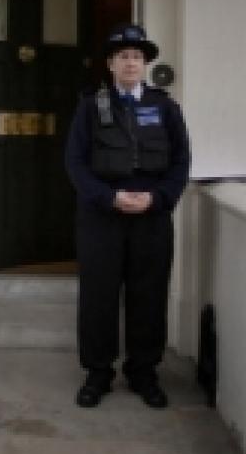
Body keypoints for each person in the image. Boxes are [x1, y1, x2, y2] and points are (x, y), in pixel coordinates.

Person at [65, 24, 190, 409]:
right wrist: (109, 197)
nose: (130, 62)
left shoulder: (166, 107)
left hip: (151, 216)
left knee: (148, 295)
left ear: (146, 63)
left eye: (137, 56)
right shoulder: (90, 106)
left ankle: (143, 372)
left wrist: (157, 199)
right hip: (102, 216)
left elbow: (181, 162)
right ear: (111, 64)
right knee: (99, 296)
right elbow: (75, 162)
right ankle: (98, 373)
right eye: (123, 56)